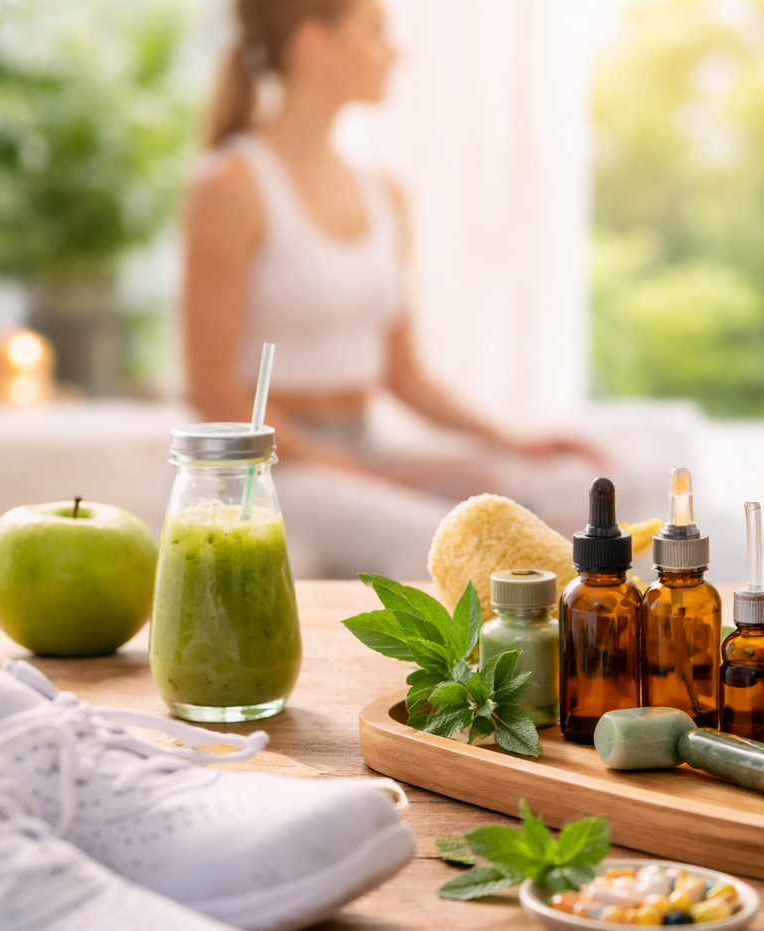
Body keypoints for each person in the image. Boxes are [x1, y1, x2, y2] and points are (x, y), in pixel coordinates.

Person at [182, 0, 602, 578]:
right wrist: (376, 475)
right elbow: (211, 392)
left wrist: (514, 442)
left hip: (363, 445)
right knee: (436, 542)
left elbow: (404, 375)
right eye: (376, 32)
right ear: (314, 43)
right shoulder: (230, 187)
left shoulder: (384, 193)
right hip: (275, 468)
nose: (396, 51)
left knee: (565, 495)